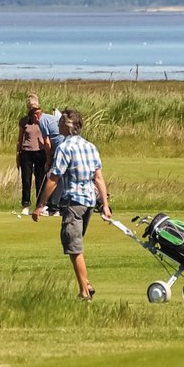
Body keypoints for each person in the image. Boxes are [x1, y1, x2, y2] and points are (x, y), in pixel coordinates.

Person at [32, 108, 112, 301]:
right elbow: (98, 178)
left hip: (73, 202)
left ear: (68, 126)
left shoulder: (64, 148)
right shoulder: (90, 147)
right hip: (89, 203)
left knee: (74, 247)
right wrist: (105, 204)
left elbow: (54, 178)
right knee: (75, 244)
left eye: (60, 122)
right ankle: (87, 284)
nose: (57, 124)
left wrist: (41, 204)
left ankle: (84, 292)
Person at [16, 97, 45, 215]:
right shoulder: (24, 121)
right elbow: (20, 139)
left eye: (34, 106)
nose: (33, 108)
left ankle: (40, 205)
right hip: (26, 152)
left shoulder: (42, 120)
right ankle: (26, 204)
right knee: (26, 179)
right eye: (30, 106)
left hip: (40, 152)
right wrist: (18, 154)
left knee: (40, 179)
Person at [37, 102, 64, 215]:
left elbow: (47, 143)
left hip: (60, 149)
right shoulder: (49, 117)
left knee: (56, 177)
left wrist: (49, 159)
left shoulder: (42, 120)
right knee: (61, 177)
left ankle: (53, 208)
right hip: (62, 147)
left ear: (36, 115)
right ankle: (58, 206)